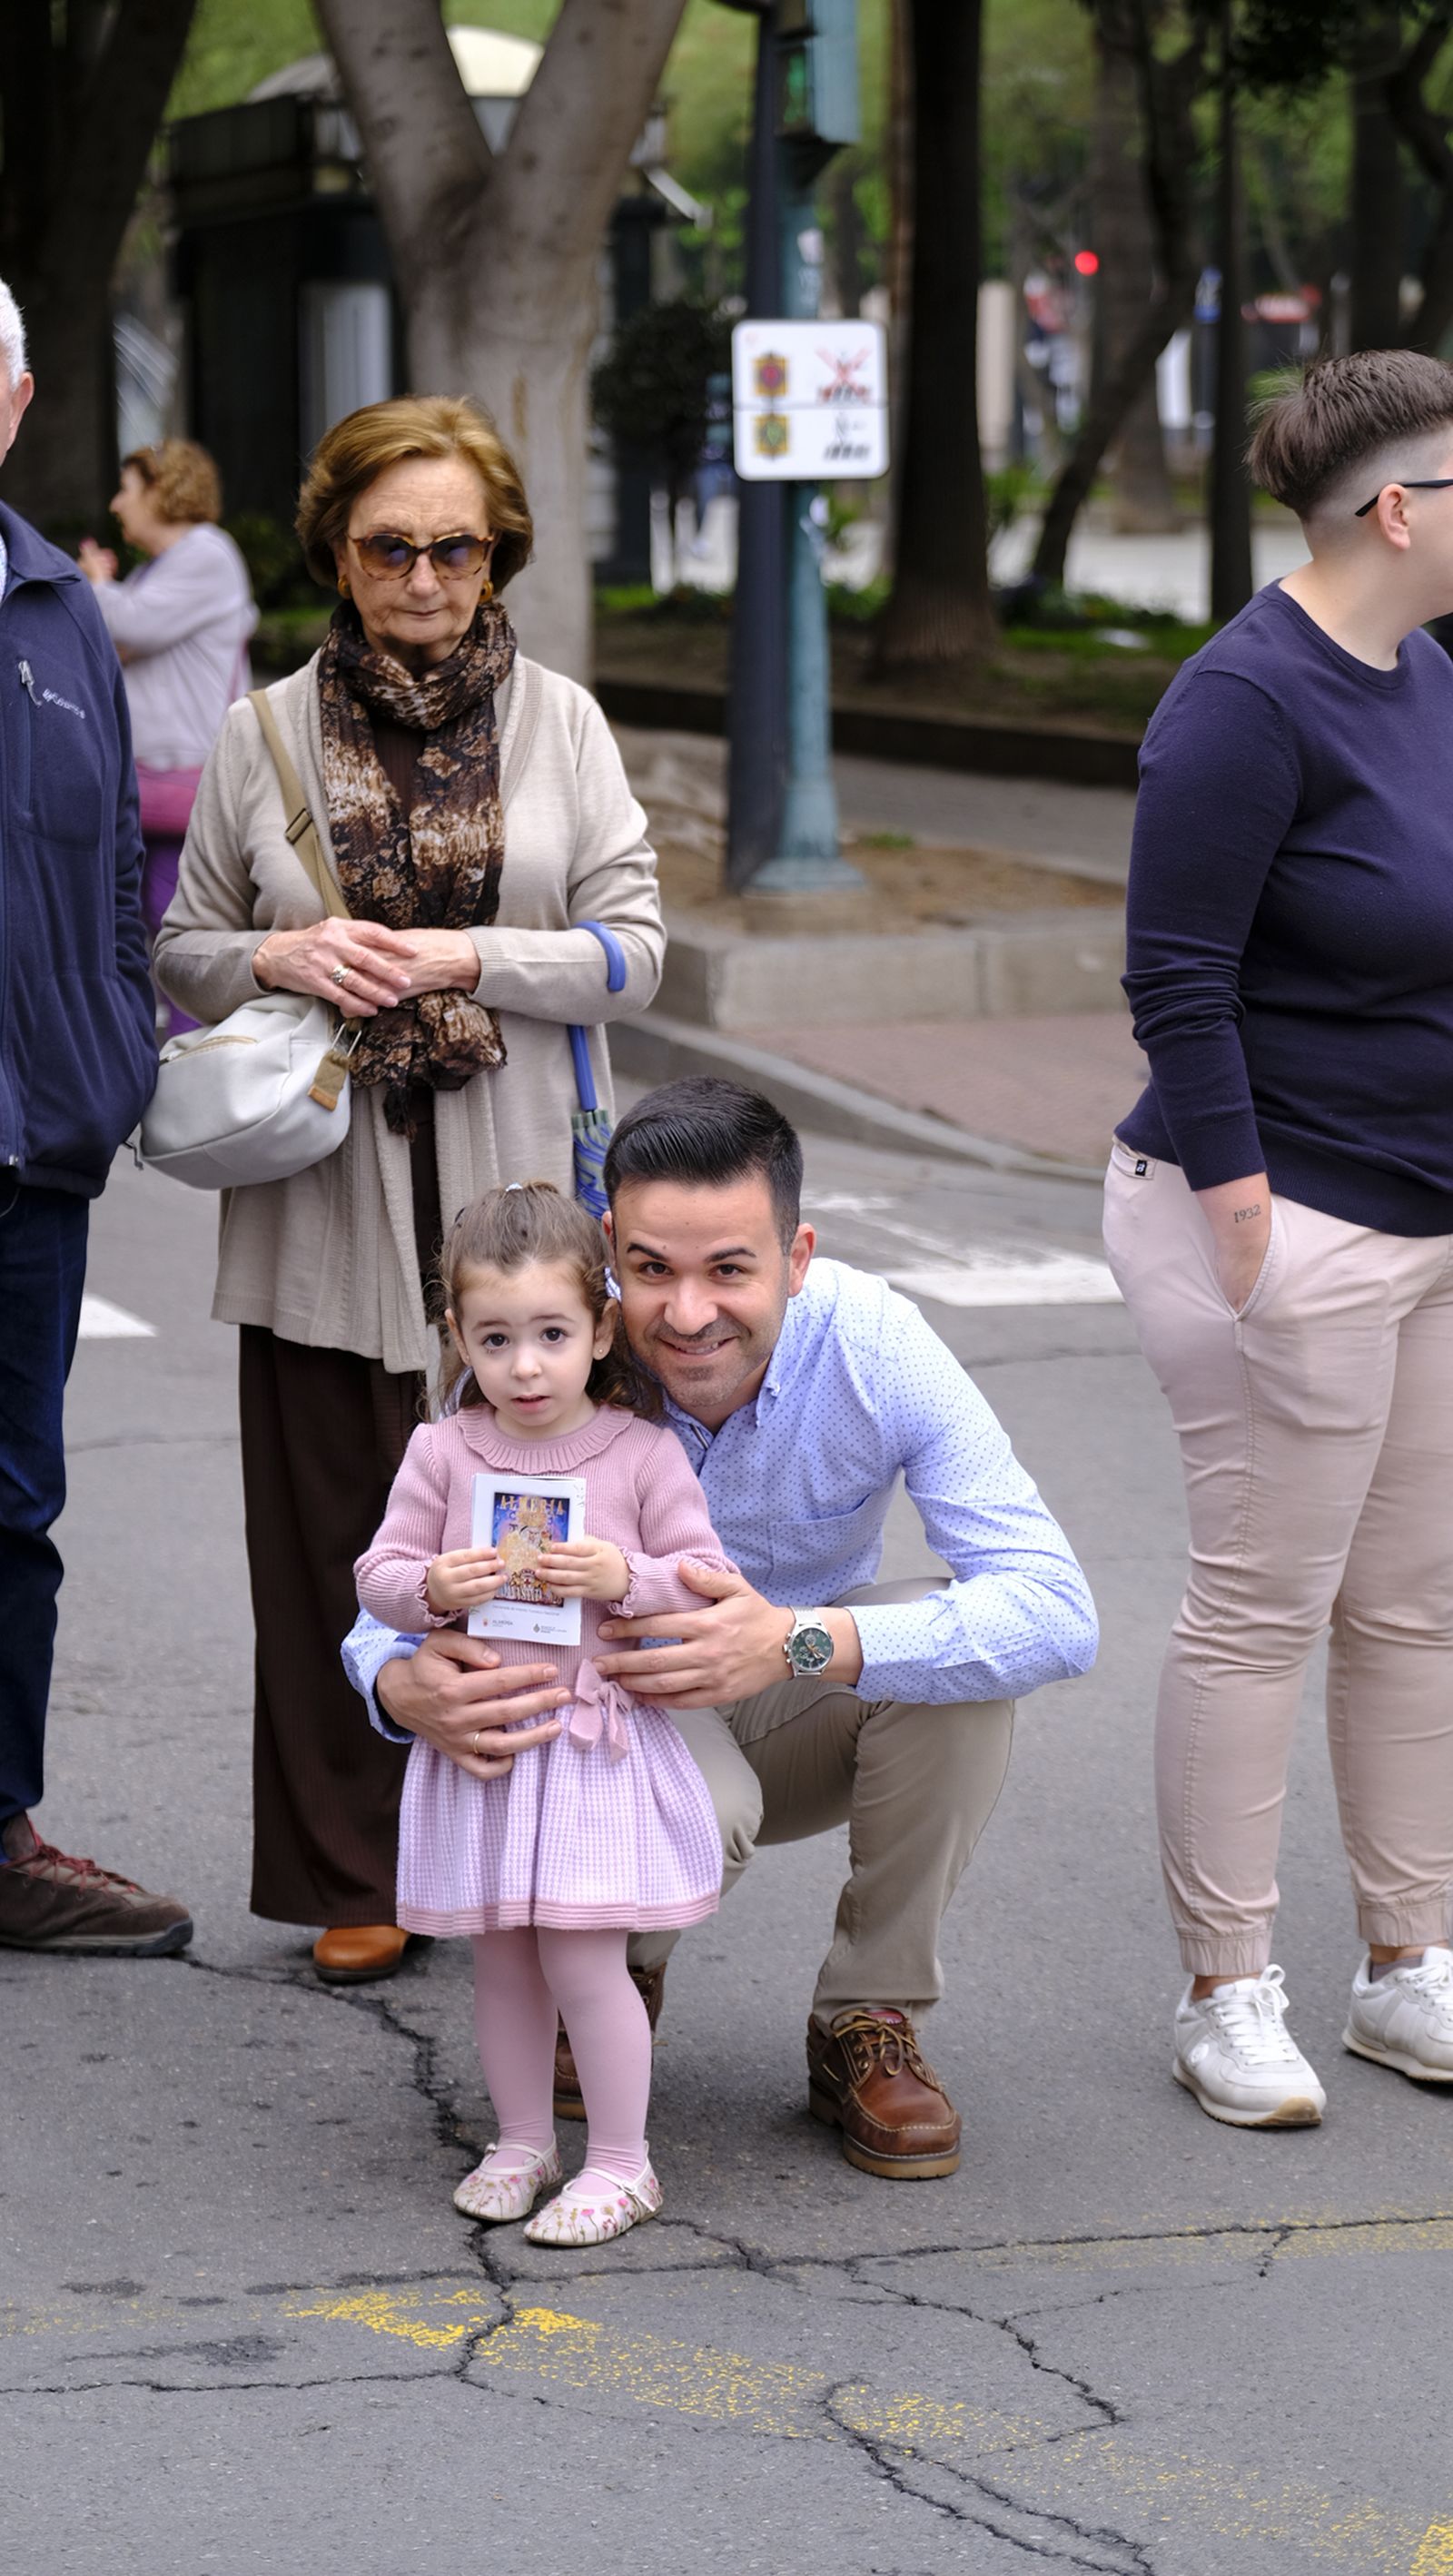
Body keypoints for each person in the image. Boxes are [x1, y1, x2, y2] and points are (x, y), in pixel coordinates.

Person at [344, 1079, 1097, 2180]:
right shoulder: (542, 1340)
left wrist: (802, 1640)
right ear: (609, 1253)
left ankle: (864, 2017)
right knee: (711, 1789)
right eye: (652, 1268)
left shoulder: (876, 1342)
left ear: (796, 1256)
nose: (688, 1313)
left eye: (730, 1269)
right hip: (606, 1702)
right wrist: (397, 1682)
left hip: (787, 1685)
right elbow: (404, 1559)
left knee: (955, 1662)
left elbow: (1053, 1605)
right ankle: (601, 1966)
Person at [153, 395, 663, 1987]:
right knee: (336, 1542)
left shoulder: (564, 722)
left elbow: (635, 948)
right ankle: (352, 1865)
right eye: (392, 546)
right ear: (338, 553)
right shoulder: (262, 732)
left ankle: (537, 1842)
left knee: (532, 1537)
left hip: (520, 1215)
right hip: (324, 1202)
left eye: (456, 543)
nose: (427, 575)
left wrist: (468, 956)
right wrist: (278, 954)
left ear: (496, 547)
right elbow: (179, 947)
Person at [1102, 348, 1453, 2132]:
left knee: (1407, 1604)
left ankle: (1407, 1959)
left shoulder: (1424, 679)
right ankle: (1221, 1987)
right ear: (1394, 509)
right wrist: (1248, 1215)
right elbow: (1173, 972)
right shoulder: (1242, 698)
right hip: (1273, 1209)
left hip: (1418, 1214)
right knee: (1261, 1607)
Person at [356, 1181, 732, 2245]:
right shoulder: (445, 1450)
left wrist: (625, 1572)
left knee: (581, 1956)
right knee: (505, 1952)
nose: (525, 1364)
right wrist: (433, 1584)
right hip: (489, 1748)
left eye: (553, 1333)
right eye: (496, 1336)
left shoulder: (639, 1451)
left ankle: (623, 2161)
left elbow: (707, 1575)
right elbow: (375, 1575)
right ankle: (523, 2138)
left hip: (591, 1747)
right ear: (458, 1335)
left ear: (602, 1327)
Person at [0, 277, 192, 1954]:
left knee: (12, 1512)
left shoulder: (60, 610)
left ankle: (0, 1833)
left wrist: (114, 1058)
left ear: (18, 398)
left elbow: (124, 879)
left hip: (29, 1152)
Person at [78, 439, 256, 1039]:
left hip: (179, 775)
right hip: (155, 775)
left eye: (127, 489)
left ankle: (192, 1056)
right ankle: (174, 1052)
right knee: (163, 919)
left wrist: (97, 583)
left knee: (176, 927)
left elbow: (127, 625)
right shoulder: (165, 567)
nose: (117, 504)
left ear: (161, 491)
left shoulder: (206, 552)